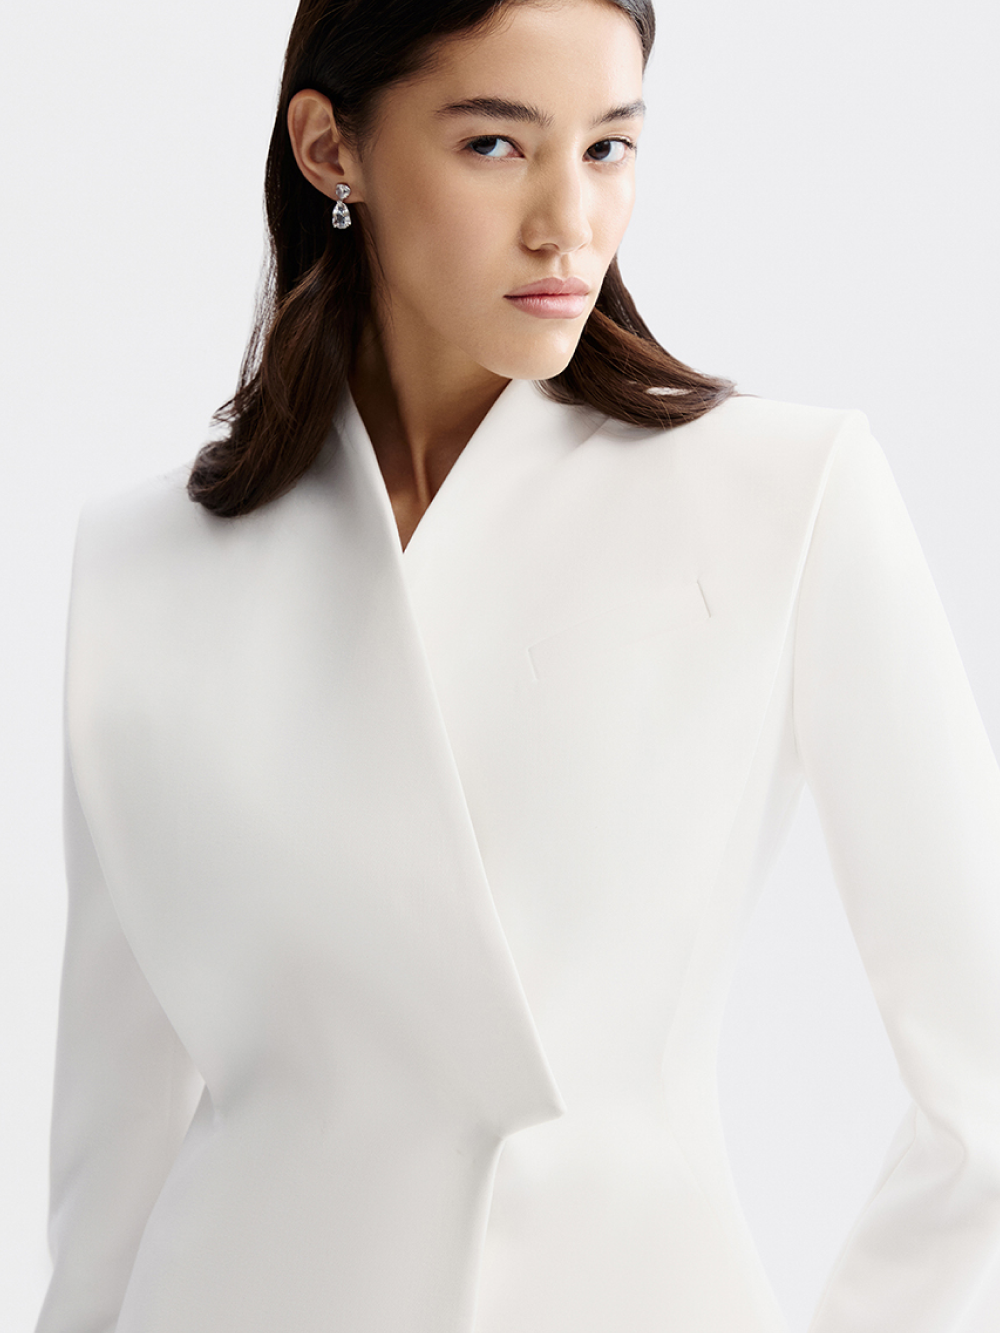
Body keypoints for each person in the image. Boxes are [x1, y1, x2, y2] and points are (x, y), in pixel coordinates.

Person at [35, 0, 1000, 1330]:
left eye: (609, 148)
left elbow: (980, 1083)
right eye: (495, 144)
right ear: (330, 148)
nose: (569, 224)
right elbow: (112, 1161)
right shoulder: (148, 565)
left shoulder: (785, 494)